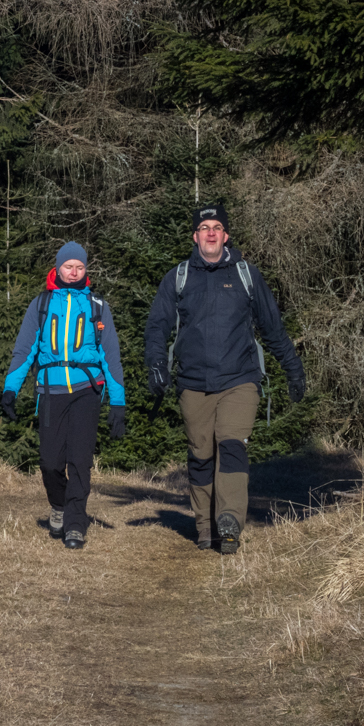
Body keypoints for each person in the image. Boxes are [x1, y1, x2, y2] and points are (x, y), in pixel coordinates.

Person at [144, 204, 305, 555]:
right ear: (195, 236)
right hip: (192, 383)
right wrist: (156, 364)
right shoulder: (179, 277)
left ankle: (229, 520)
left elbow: (272, 327)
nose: (212, 233)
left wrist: (293, 367)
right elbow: (157, 326)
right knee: (201, 454)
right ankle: (205, 524)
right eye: (205, 228)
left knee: (231, 445)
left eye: (217, 227)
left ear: (226, 235)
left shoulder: (247, 275)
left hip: (239, 379)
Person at [0, 241, 126, 550]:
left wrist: (118, 401)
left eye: (80, 267)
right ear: (58, 268)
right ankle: (58, 505)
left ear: (86, 270)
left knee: (79, 461)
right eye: (68, 267)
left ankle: (74, 524)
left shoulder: (97, 306)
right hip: (51, 390)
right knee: (50, 463)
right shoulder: (41, 304)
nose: (74, 272)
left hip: (87, 389)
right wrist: (10, 389)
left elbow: (111, 355)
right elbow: (24, 350)